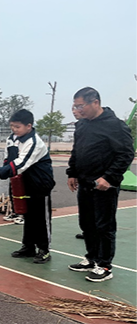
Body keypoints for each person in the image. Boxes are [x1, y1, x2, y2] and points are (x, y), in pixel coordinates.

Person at [66, 87, 134, 282]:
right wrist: (72, 172)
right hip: (85, 182)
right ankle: (91, 258)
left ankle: (104, 265)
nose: (77, 110)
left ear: (95, 102)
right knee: (86, 223)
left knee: (104, 225)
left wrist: (109, 178)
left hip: (104, 185)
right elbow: (77, 151)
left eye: (80, 106)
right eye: (75, 106)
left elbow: (126, 154)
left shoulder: (115, 126)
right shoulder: (82, 126)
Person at [0, 109, 55, 264]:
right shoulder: (12, 138)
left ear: (29, 126)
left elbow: (21, 163)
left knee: (41, 218)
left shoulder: (34, 143)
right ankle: (28, 247)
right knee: (27, 215)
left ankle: (44, 250)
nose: (14, 130)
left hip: (40, 184)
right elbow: (8, 159)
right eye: (12, 126)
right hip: (23, 183)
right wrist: (5, 171)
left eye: (17, 127)